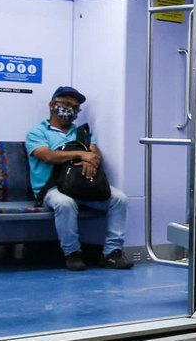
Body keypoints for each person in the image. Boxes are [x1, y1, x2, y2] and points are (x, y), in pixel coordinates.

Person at [25, 86, 132, 271]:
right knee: (65, 203)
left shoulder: (82, 133)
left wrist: (92, 161)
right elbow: (47, 156)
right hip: (52, 188)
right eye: (65, 104)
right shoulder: (37, 132)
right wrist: (81, 155)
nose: (70, 110)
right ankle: (72, 253)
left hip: (83, 186)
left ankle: (111, 253)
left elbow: (95, 155)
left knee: (119, 199)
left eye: (75, 107)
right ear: (52, 105)